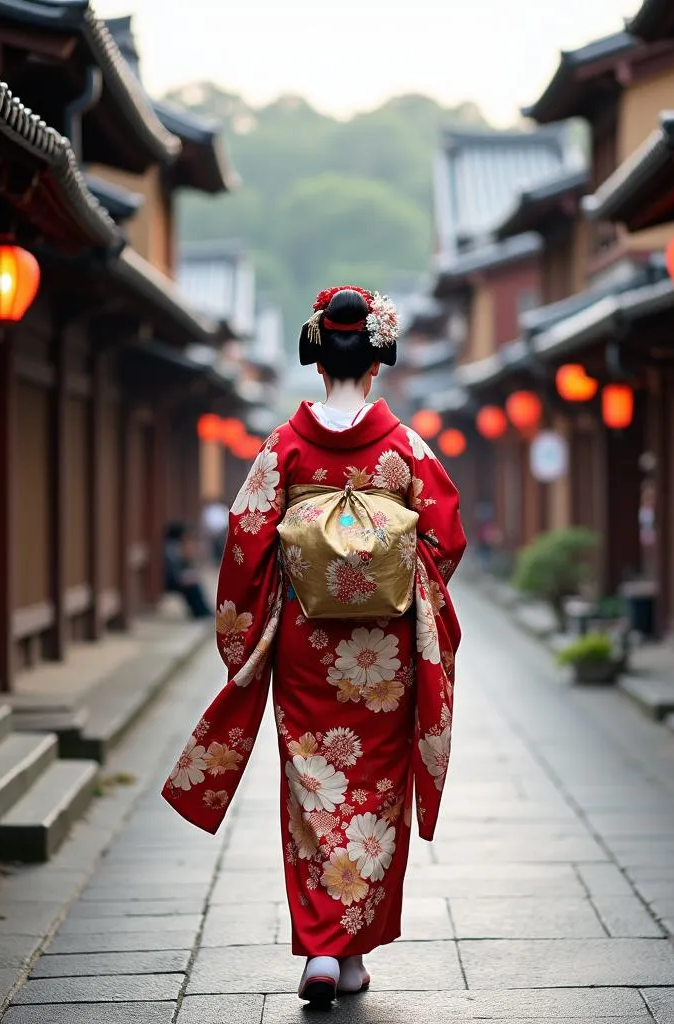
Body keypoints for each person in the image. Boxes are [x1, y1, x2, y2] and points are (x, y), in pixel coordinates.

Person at [162, 286, 466, 1002]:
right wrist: (391, 573)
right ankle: (352, 954)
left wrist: (248, 630)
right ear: (379, 359)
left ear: (315, 359)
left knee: (314, 788)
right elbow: (445, 538)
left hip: (308, 645)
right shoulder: (404, 448)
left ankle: (321, 954)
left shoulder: (285, 448)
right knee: (376, 793)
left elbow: (243, 544)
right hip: (383, 651)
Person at [163, 522, 212, 620]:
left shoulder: (175, 547)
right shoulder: (171, 548)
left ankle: (202, 612)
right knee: (192, 585)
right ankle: (201, 613)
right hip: (169, 579)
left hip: (173, 577)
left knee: (193, 581)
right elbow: (171, 570)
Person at [201, 498, 229, 566]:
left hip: (222, 533)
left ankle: (221, 561)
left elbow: (227, 519)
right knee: (214, 550)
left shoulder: (222, 508)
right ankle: (215, 562)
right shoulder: (208, 509)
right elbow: (205, 522)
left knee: (222, 548)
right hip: (212, 534)